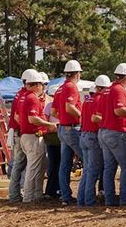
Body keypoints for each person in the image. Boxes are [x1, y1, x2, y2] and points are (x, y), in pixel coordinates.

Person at [94, 63, 126, 207]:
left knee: (109, 168)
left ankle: (110, 200)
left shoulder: (107, 90)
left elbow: (99, 114)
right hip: (116, 132)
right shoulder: (118, 90)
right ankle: (125, 199)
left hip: (104, 132)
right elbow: (119, 110)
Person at [21, 72, 56, 203]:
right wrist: (49, 124)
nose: (43, 87)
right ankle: (29, 197)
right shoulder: (32, 98)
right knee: (33, 168)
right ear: (36, 85)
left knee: (37, 167)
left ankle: (36, 194)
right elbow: (33, 119)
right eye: (41, 84)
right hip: (32, 136)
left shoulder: (27, 97)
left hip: (29, 136)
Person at [53, 59, 84, 205]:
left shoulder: (60, 88)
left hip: (63, 128)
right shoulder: (71, 87)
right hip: (71, 128)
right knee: (88, 161)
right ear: (77, 74)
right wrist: (81, 117)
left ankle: (65, 195)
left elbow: (54, 111)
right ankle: (84, 196)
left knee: (64, 164)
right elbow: (69, 107)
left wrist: (64, 120)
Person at [8, 68, 38, 204]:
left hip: (17, 132)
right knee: (21, 164)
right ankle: (16, 195)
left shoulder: (19, 94)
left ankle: (15, 194)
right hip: (21, 133)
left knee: (19, 165)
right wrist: (26, 129)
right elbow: (18, 117)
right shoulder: (25, 96)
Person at [78, 76, 108, 207]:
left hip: (84, 135)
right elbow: (95, 118)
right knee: (93, 171)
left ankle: (82, 199)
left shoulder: (88, 100)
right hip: (92, 136)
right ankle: (89, 200)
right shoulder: (100, 99)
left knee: (87, 170)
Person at [43, 90, 62, 199]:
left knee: (54, 164)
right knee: (59, 164)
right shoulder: (52, 106)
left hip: (51, 138)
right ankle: (55, 190)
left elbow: (46, 121)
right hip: (55, 138)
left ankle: (51, 190)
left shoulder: (49, 106)